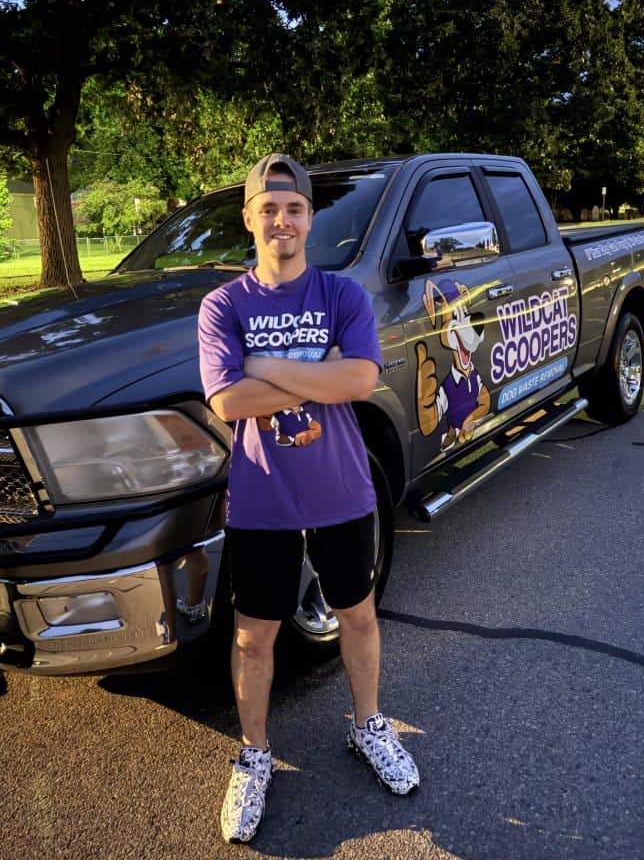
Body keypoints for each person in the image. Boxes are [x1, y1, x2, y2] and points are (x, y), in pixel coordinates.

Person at [198, 152, 419, 844]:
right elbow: (228, 399)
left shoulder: (341, 295)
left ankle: (368, 727)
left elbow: (357, 381)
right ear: (249, 218)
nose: (282, 219)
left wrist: (265, 366)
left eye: (294, 208)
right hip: (262, 499)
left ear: (309, 217)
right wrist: (310, 372)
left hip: (342, 491)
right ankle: (255, 754)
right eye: (269, 207)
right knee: (253, 636)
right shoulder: (224, 306)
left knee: (356, 616)